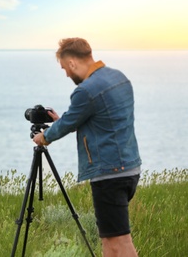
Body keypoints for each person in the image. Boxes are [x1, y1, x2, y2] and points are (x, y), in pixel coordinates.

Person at [33, 38, 141, 256]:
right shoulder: (119, 78)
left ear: (72, 63)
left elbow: (66, 124)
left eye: (64, 68)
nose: (66, 74)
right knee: (109, 240)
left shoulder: (86, 90)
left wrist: (44, 137)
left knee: (120, 242)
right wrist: (63, 119)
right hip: (129, 168)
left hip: (109, 173)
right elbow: (102, 120)